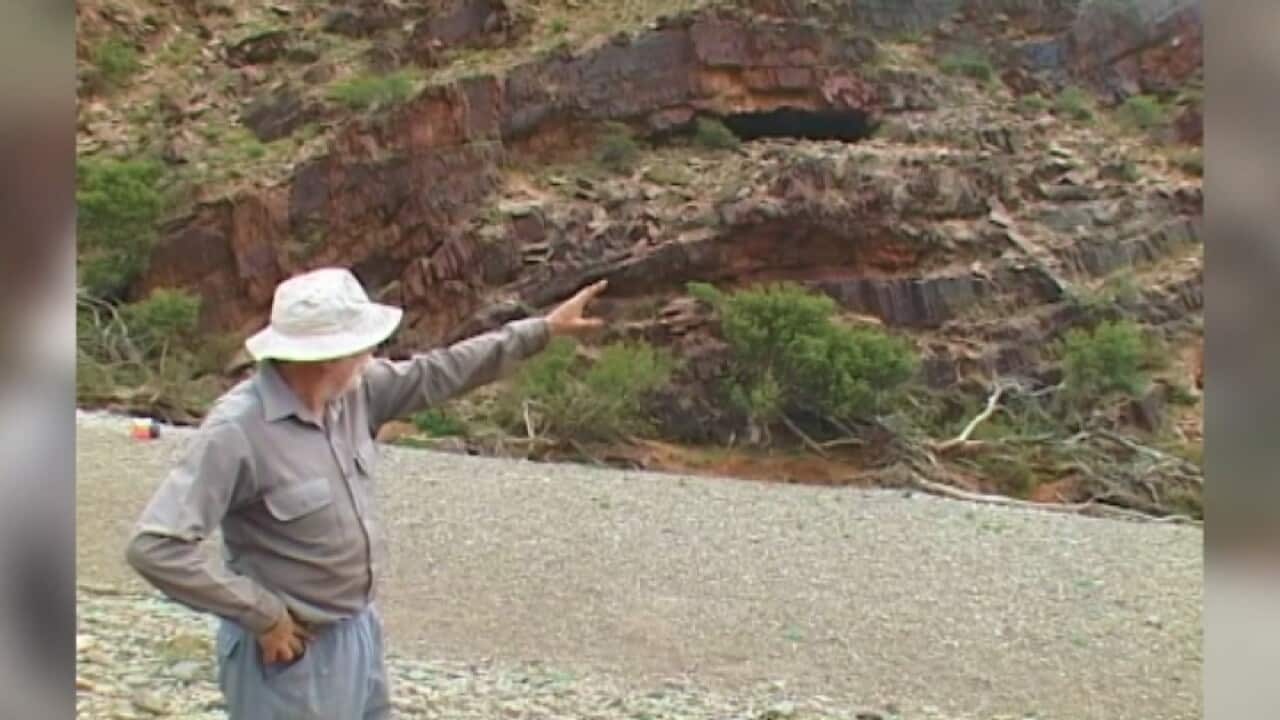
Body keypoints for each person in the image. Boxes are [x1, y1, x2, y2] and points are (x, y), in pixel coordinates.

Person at [125, 267, 608, 719]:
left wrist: (542, 330)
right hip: (291, 653)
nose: (373, 357)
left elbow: (442, 371)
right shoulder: (237, 432)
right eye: (363, 346)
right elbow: (154, 548)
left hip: (358, 633)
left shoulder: (356, 394)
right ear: (325, 357)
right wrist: (260, 614)